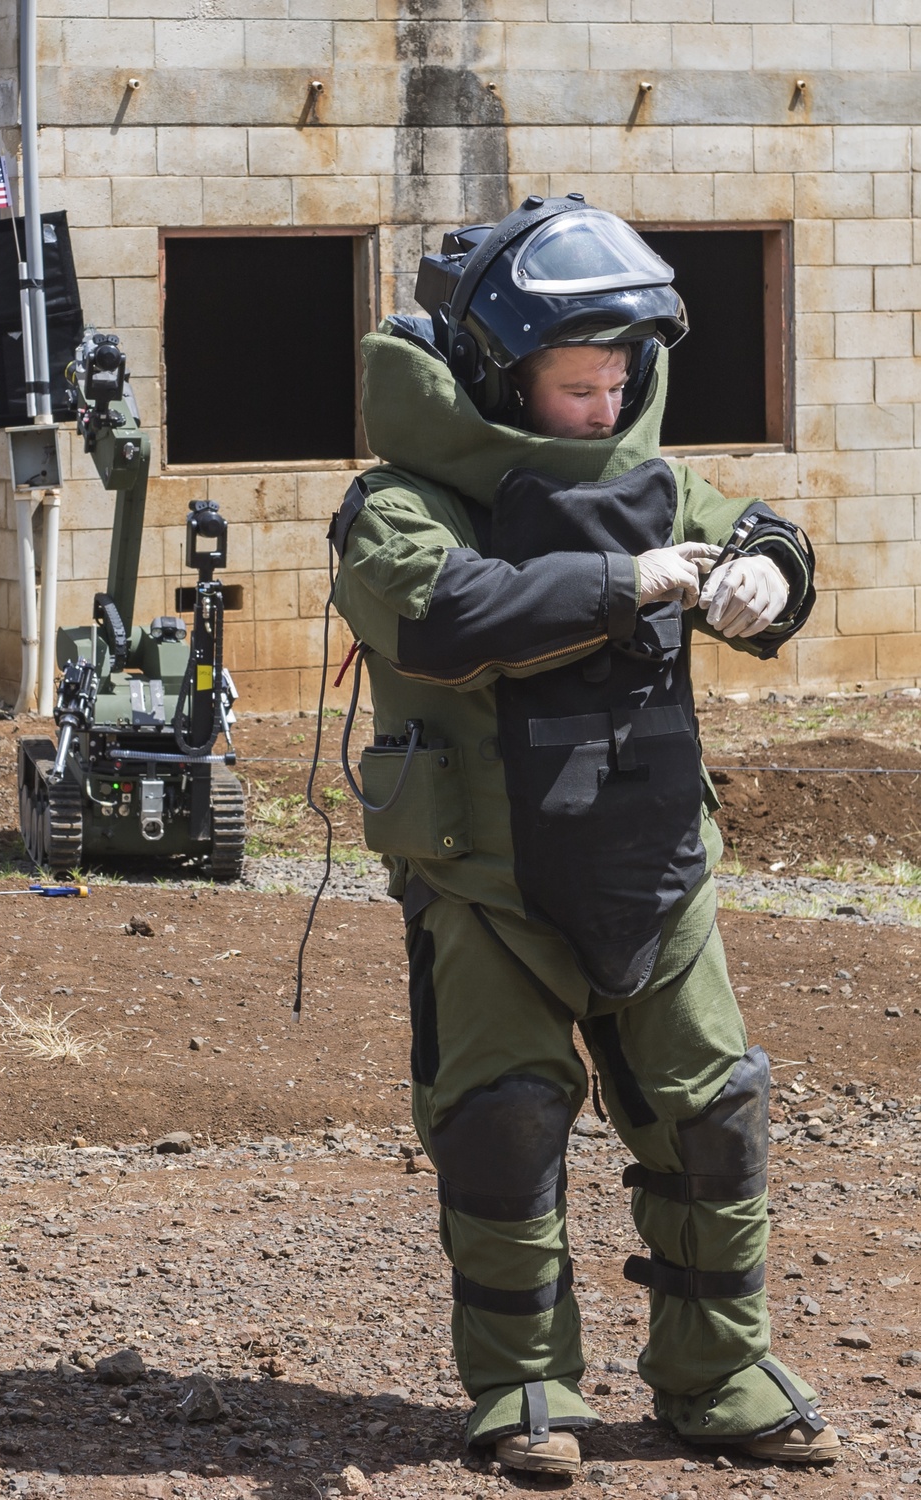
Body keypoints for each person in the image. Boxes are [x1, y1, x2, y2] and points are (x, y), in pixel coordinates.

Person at [330, 196, 837, 1476]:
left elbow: (758, 529)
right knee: (501, 1125)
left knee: (714, 1118)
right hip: (486, 885)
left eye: (619, 382)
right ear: (499, 372)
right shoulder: (397, 504)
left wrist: (769, 571)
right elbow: (453, 616)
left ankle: (717, 1375)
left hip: (656, 872)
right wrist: (632, 582)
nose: (604, 410)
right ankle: (523, 1391)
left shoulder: (656, 484)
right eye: (575, 386)